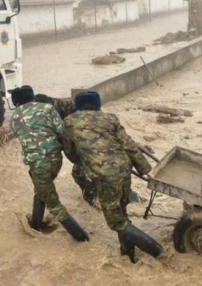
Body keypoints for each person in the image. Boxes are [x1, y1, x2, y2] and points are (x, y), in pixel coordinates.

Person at [62, 91, 164, 263]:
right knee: (122, 215)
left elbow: (70, 152)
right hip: (124, 170)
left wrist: (86, 160)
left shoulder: (69, 122)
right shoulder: (110, 118)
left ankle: (158, 251)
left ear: (78, 105)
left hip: (105, 176)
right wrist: (146, 168)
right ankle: (127, 255)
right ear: (98, 104)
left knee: (116, 223)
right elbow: (129, 145)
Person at [10, 86, 89, 242]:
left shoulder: (14, 117)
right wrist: (74, 157)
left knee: (54, 205)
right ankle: (35, 225)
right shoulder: (48, 108)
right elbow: (63, 132)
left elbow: (25, 138)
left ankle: (81, 238)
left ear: (17, 102)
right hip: (55, 160)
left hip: (38, 165)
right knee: (41, 190)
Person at [35, 94, 97, 206]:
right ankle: (94, 192)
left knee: (79, 172)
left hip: (88, 137)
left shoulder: (67, 105)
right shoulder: (45, 114)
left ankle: (93, 195)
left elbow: (92, 116)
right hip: (73, 140)